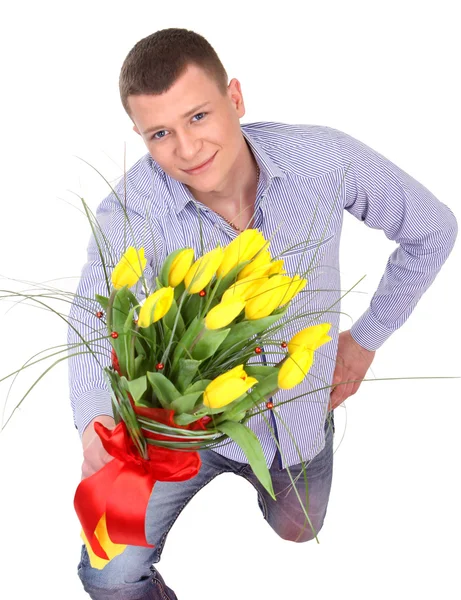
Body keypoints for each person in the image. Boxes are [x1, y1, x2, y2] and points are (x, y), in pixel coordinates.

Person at [68, 27, 458, 599]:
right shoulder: (133, 210)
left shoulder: (323, 158)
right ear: (141, 136)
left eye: (199, 116)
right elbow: (87, 325)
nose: (187, 148)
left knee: (299, 527)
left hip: (298, 421)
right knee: (109, 577)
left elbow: (433, 229)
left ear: (237, 98)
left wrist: (366, 338)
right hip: (178, 432)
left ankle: (277, 494)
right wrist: (95, 428)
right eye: (160, 133)